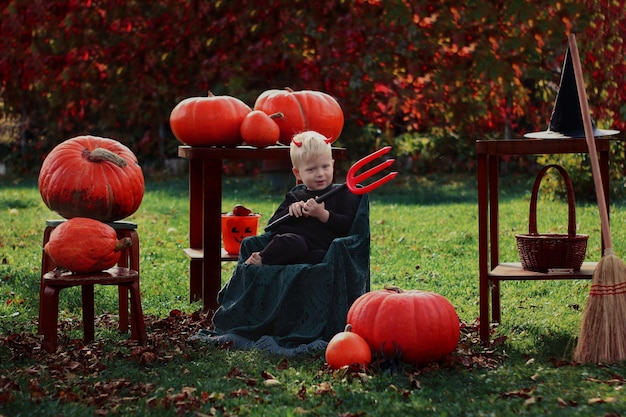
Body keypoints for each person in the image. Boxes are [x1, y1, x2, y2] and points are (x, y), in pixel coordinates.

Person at [245, 130, 360, 265]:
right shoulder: (295, 196)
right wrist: (290, 210)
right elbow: (272, 225)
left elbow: (349, 225)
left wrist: (324, 215)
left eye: (325, 166)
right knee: (295, 243)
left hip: (319, 250)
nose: (320, 174)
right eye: (311, 169)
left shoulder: (341, 193)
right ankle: (262, 259)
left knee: (324, 257)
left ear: (333, 165)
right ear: (297, 173)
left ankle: (284, 265)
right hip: (292, 243)